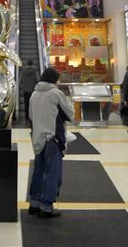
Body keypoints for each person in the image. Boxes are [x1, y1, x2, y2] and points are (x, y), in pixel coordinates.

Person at [27, 67, 74, 218]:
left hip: (38, 138)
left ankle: (34, 203)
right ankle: (46, 207)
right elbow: (69, 114)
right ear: (54, 79)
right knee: (53, 173)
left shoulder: (34, 94)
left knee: (39, 171)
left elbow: (31, 117)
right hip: (52, 139)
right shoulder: (56, 93)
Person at [19, 59, 40, 123]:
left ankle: (26, 117)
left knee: (26, 103)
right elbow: (37, 79)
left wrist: (21, 87)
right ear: (32, 64)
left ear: (27, 64)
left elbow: (20, 80)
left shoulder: (23, 70)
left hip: (25, 90)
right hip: (33, 90)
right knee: (33, 104)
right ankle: (32, 116)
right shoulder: (35, 70)